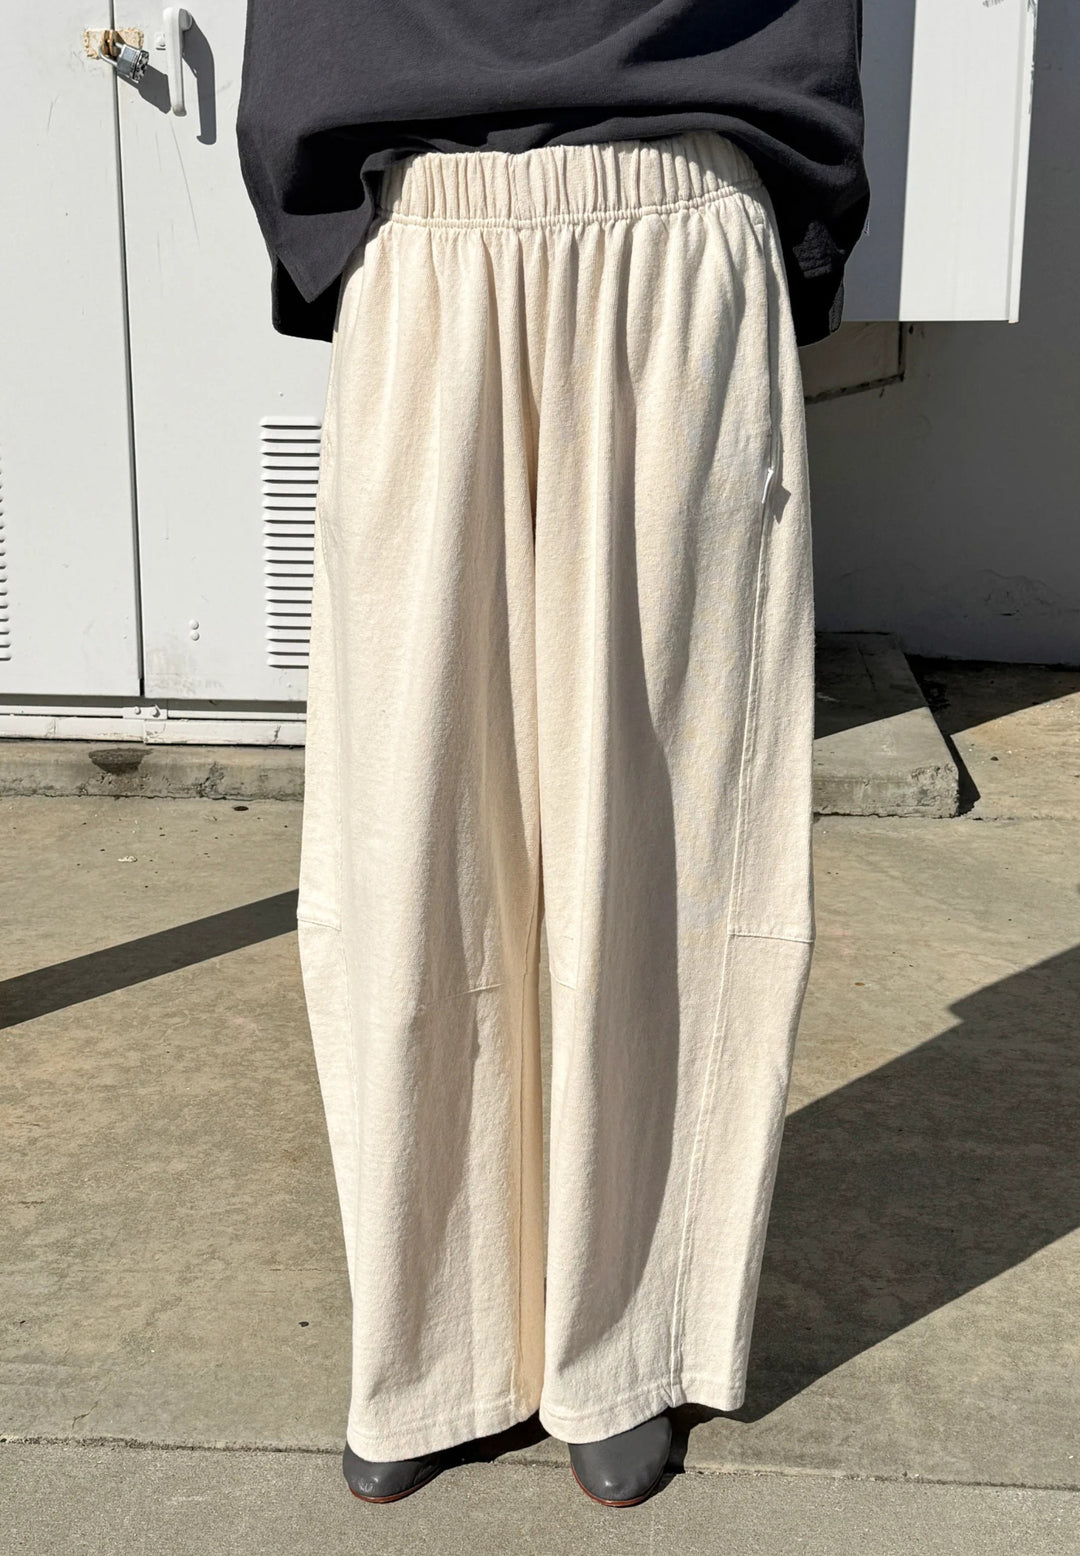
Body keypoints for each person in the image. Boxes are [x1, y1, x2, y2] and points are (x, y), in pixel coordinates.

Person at [237, 0, 869, 1510]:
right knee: (408, 834)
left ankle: (627, 1337)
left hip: (677, 205)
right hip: (429, 222)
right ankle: (427, 1343)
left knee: (660, 836)